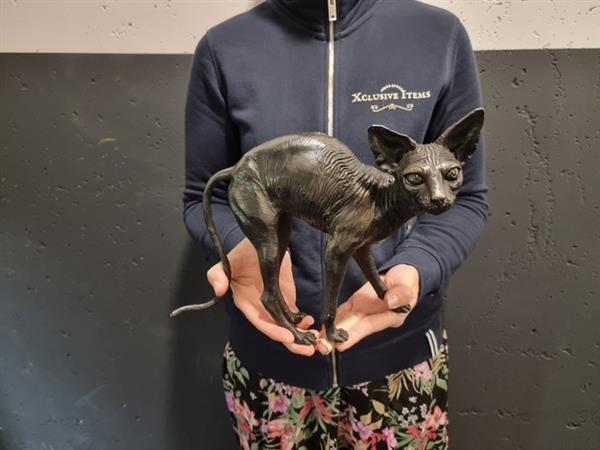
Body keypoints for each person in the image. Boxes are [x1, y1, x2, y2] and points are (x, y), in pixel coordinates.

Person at [182, 0, 487, 448]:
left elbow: (466, 198)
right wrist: (240, 246)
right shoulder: (224, 47)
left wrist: (415, 268)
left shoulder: (439, 35)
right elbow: (201, 195)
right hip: (270, 368)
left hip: (400, 366)